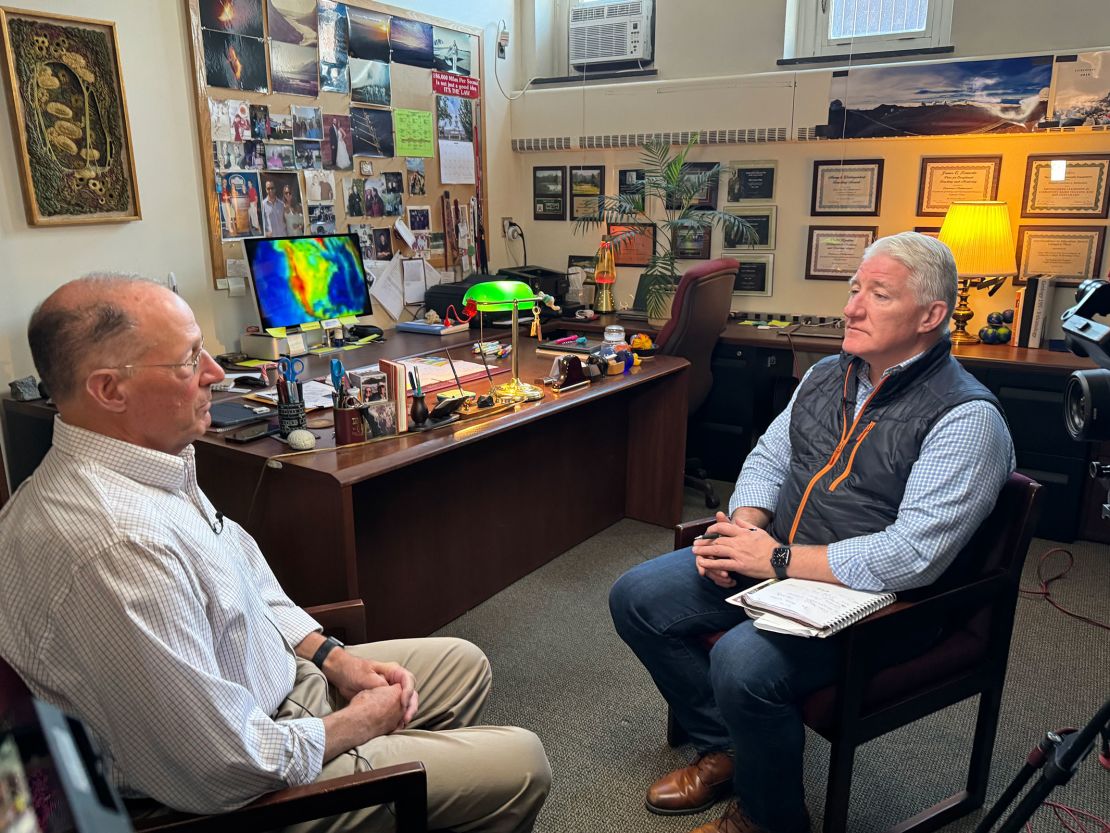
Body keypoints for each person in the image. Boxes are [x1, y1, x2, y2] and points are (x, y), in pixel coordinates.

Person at [0, 276, 551, 832]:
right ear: (109, 390)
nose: (216, 374)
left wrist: (334, 656)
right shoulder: (116, 547)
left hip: (277, 693)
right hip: (245, 790)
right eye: (190, 360)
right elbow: (222, 767)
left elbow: (251, 588)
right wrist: (357, 726)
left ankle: (401, 794)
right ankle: (389, 787)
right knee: (522, 764)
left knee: (463, 665)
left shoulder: (146, 469)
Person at [609, 232, 1014, 833]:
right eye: (854, 289)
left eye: (878, 295)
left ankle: (770, 819)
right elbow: (772, 458)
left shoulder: (966, 419)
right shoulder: (828, 373)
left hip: (885, 604)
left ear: (931, 316)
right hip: (785, 563)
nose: (851, 307)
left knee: (744, 666)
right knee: (636, 597)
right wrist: (741, 531)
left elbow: (913, 557)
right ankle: (730, 748)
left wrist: (772, 558)